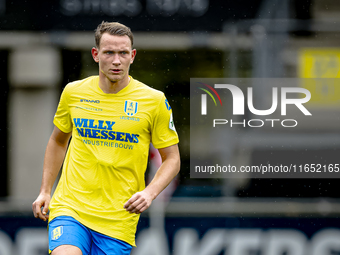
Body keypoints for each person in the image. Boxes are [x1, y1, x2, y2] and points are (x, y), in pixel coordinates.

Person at [32, 21, 180, 255]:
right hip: (71, 207)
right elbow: (58, 141)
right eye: (109, 52)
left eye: (123, 53)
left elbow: (172, 159)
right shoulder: (73, 92)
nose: (116, 60)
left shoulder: (154, 101)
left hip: (118, 218)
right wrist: (45, 190)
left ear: (132, 56)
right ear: (95, 54)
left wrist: (149, 193)